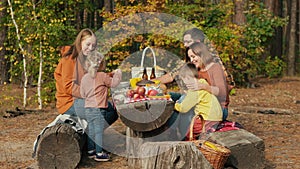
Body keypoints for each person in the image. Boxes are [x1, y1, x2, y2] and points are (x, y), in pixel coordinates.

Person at [54, 28, 118, 126]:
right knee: (100, 112)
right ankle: (91, 137)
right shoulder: (69, 59)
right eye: (88, 44)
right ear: (80, 42)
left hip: (82, 99)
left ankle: (89, 132)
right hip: (69, 102)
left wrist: (110, 75)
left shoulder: (85, 58)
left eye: (93, 45)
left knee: (112, 111)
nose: (91, 48)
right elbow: (68, 87)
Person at [80, 51, 122, 161]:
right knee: (98, 131)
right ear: (102, 64)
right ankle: (99, 153)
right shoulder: (102, 76)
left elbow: (82, 93)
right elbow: (114, 84)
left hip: (88, 108)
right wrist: (118, 74)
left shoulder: (84, 78)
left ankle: (91, 150)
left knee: (92, 130)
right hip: (99, 108)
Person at [174, 63, 223, 140]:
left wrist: (175, 105)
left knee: (189, 132)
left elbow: (184, 108)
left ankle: (189, 143)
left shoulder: (194, 90)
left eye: (183, 80)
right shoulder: (203, 82)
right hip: (217, 118)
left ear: (186, 78)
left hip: (206, 119)